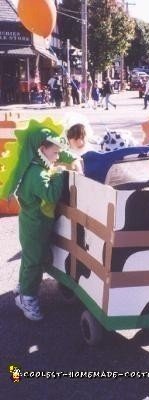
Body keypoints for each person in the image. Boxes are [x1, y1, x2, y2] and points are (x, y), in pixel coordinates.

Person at [12, 129, 75, 321]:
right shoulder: (37, 174)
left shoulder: (38, 163)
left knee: (30, 257)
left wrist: (70, 157)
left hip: (34, 224)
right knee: (34, 261)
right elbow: (51, 195)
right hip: (34, 227)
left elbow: (60, 152)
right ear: (42, 149)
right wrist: (60, 174)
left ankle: (24, 286)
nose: (57, 157)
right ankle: (27, 298)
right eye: (55, 153)